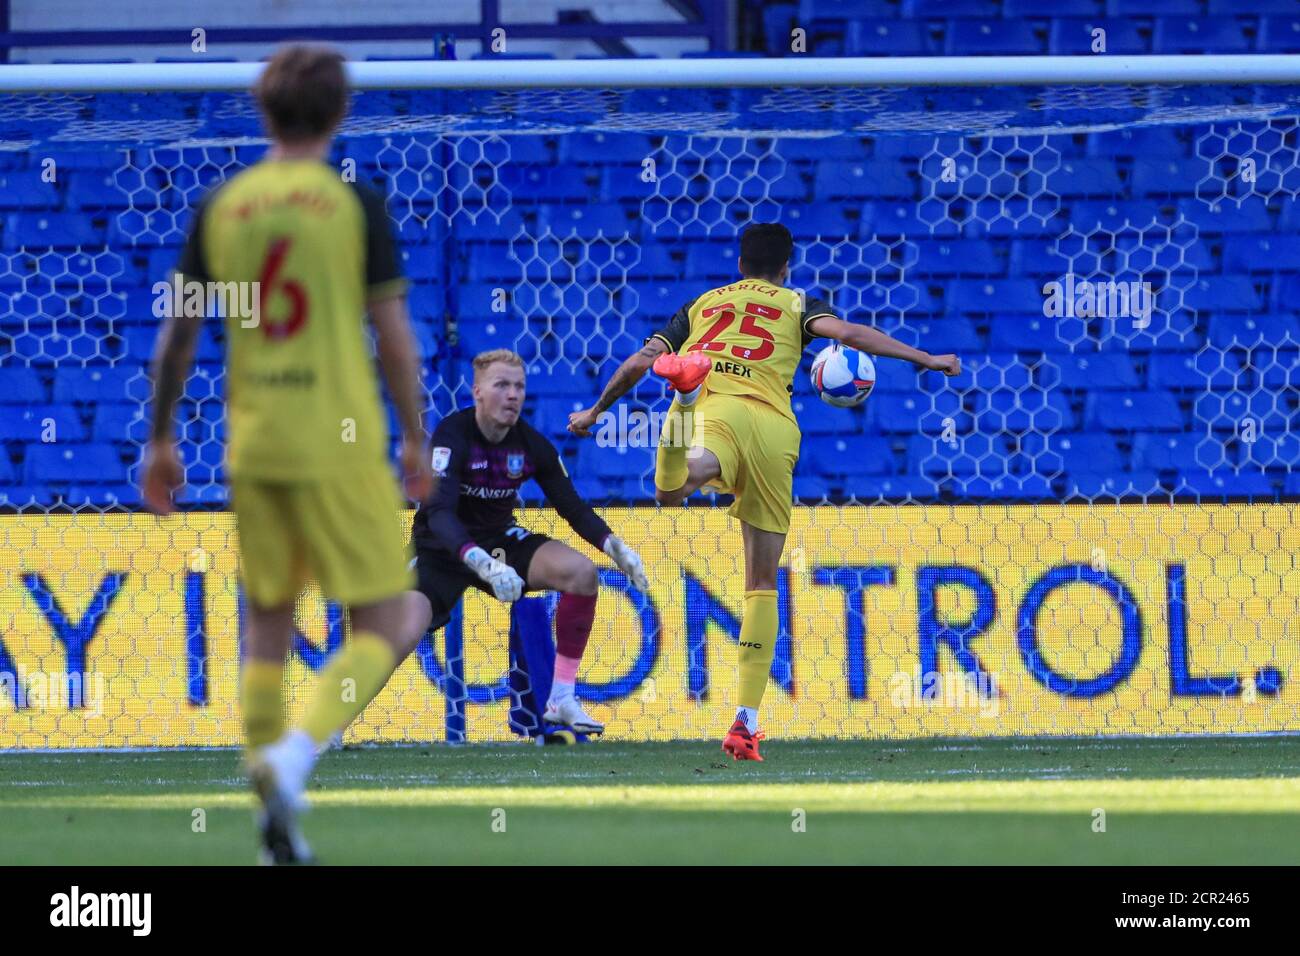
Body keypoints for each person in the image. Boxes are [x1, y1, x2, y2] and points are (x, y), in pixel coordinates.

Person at [142, 44, 431, 863]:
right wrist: (414, 435)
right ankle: (296, 757)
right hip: (337, 440)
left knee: (266, 620)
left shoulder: (224, 206)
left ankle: (276, 833)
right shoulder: (353, 204)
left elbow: (178, 340)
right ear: (340, 114)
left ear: (261, 112)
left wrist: (161, 437)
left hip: (256, 442)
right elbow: (395, 339)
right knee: (391, 614)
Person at [568, 223, 961, 761]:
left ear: (739, 264)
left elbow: (639, 362)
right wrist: (926, 358)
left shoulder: (702, 305)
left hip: (719, 409)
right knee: (761, 582)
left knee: (675, 486)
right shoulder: (799, 302)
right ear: (786, 267)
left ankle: (681, 402)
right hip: (777, 427)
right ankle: (746, 721)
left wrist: (595, 411)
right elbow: (848, 336)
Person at [400, 349, 648, 735]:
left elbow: (573, 508)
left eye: (519, 386)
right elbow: (440, 515)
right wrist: (482, 563)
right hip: (442, 551)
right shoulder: (453, 435)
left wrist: (614, 547)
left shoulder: (531, 445)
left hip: (501, 542)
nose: (513, 395)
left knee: (581, 573)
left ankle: (561, 698)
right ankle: (329, 729)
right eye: (502, 385)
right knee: (398, 634)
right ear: (477, 391)